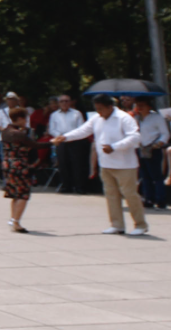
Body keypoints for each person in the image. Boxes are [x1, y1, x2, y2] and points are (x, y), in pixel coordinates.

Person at [56, 95, 146, 234]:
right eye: (96, 109)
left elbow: (135, 137)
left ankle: (140, 225)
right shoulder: (96, 119)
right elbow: (83, 130)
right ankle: (117, 224)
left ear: (110, 107)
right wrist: (66, 137)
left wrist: (115, 146)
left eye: (101, 109)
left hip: (124, 164)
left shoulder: (124, 118)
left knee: (130, 194)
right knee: (111, 194)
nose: (99, 112)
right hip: (105, 163)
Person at [0, 106, 41, 233]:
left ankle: (13, 218)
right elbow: (35, 145)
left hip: (7, 164)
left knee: (14, 194)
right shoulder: (19, 134)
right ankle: (16, 222)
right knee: (23, 194)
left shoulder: (5, 131)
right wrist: (53, 143)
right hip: (20, 166)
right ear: (20, 118)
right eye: (25, 118)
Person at [47, 94, 89, 194]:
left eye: (67, 101)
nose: (64, 103)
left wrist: (70, 136)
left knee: (77, 164)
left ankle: (79, 187)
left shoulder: (77, 113)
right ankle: (66, 186)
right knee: (63, 164)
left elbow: (81, 128)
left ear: (70, 102)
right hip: (61, 141)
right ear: (59, 103)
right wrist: (61, 136)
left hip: (75, 141)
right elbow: (52, 129)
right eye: (62, 101)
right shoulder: (54, 115)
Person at [133, 96, 170, 209]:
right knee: (145, 175)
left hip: (153, 148)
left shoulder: (156, 118)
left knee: (156, 176)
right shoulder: (137, 118)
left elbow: (165, 133)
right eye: (138, 106)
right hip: (141, 148)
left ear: (149, 106)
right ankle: (148, 198)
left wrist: (159, 143)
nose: (139, 108)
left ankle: (161, 199)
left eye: (142, 106)